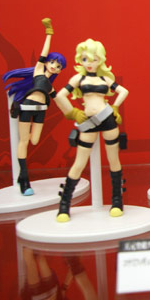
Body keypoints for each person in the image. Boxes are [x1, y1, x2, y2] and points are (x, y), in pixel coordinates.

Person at [53, 39, 129, 222]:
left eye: (94, 59)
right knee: (79, 162)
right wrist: (72, 112)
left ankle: (117, 200)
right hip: (88, 122)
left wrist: (115, 107)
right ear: (80, 59)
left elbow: (124, 91)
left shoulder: (105, 79)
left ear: (100, 60)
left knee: (113, 160)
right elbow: (59, 96)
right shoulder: (78, 79)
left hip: (108, 120)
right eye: (85, 59)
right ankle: (65, 203)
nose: (89, 63)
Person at [2, 18, 66, 195]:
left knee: (34, 140)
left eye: (58, 66)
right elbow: (43, 54)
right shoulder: (38, 71)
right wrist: (49, 33)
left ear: (60, 70)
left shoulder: (50, 86)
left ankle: (21, 161)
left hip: (41, 112)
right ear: (47, 62)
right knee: (24, 141)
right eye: (52, 62)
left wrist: (71, 112)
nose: (54, 66)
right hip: (27, 108)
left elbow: (58, 99)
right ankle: (24, 178)